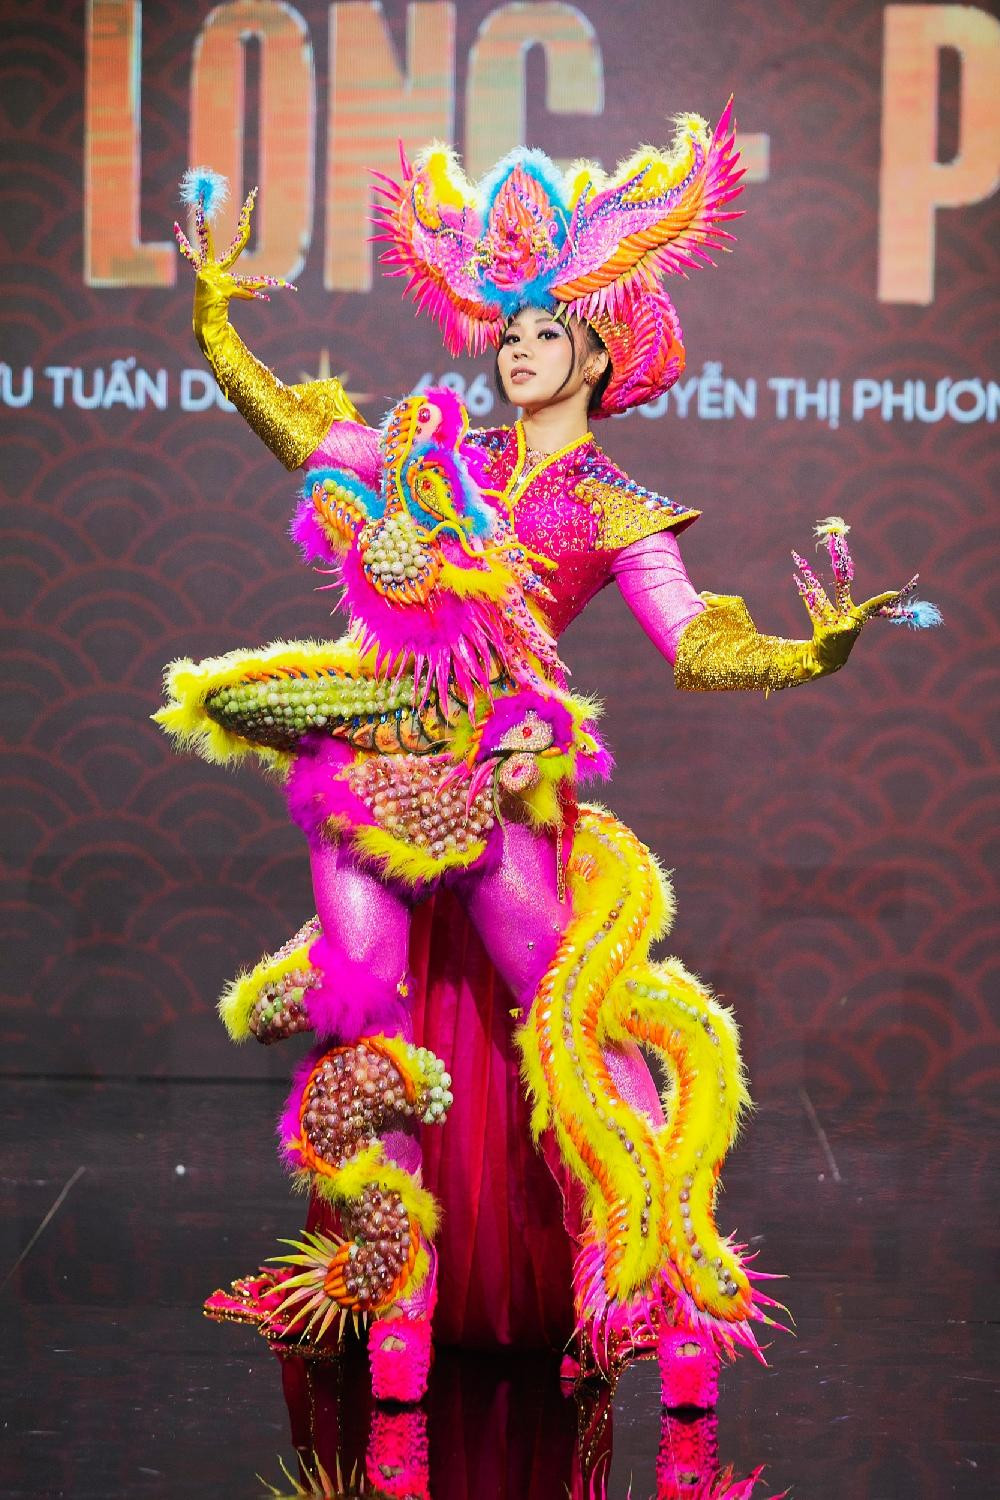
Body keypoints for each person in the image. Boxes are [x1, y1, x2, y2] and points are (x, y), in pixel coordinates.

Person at [158, 104, 936, 1406]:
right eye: (508, 328)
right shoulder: (439, 462)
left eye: (544, 329)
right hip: (383, 767)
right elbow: (307, 435)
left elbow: (693, 642)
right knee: (365, 1011)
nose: (516, 346)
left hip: (509, 783)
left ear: (598, 354)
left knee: (574, 1029)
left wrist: (811, 650)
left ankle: (655, 1297)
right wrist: (216, 323)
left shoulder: (614, 506)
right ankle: (397, 1292)